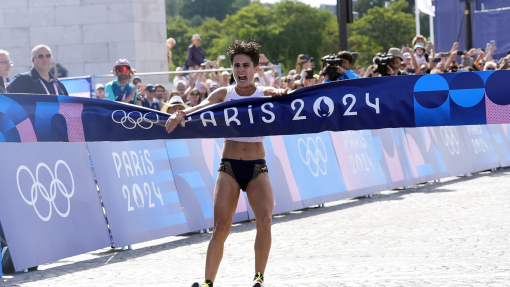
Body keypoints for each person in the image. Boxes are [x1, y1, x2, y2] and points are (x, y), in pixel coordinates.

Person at [165, 40, 287, 287]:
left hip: (257, 167)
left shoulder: (265, 93)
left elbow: (292, 102)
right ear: (232, 69)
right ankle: (208, 282)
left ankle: (259, 279)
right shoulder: (224, 94)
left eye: (246, 65)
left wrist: (283, 95)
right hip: (229, 166)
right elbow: (197, 109)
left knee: (265, 221)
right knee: (220, 227)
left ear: (254, 68)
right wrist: (180, 113)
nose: (241, 70)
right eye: (236, 65)